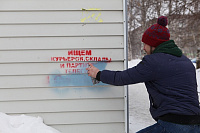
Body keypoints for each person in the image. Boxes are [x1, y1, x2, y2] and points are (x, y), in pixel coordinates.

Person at [86, 16, 200, 133]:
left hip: (174, 125)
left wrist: (98, 74)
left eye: (146, 44)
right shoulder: (186, 62)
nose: (144, 48)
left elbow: (123, 77)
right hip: (196, 124)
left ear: (154, 45)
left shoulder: (153, 62)